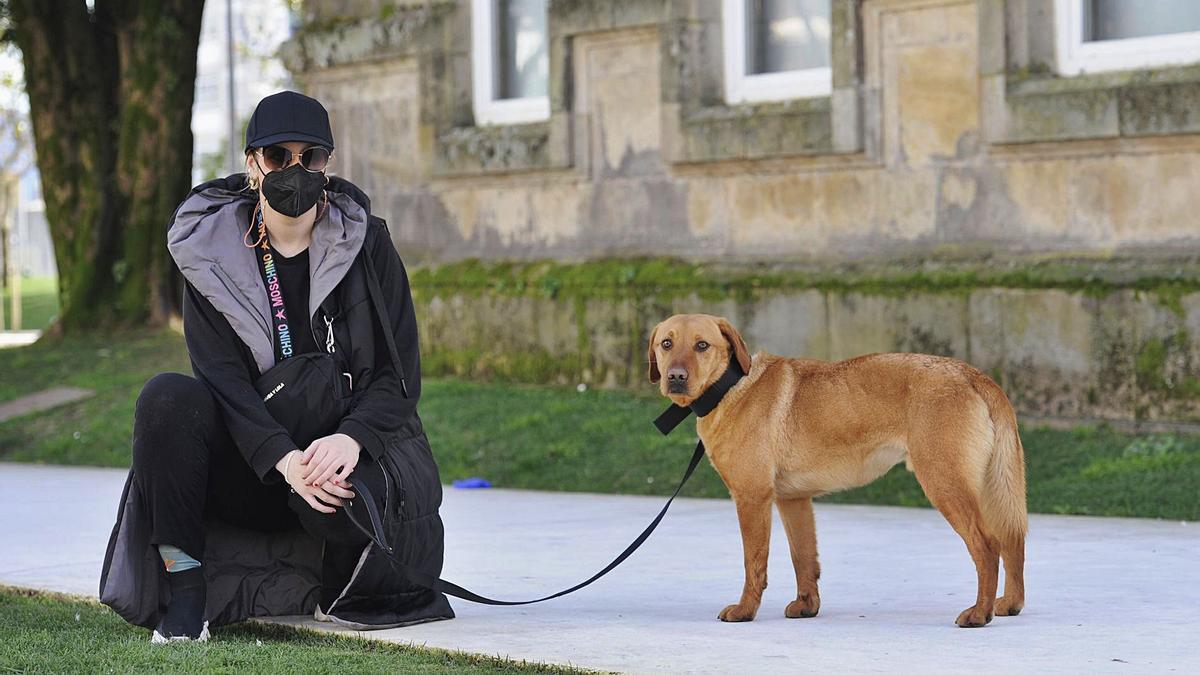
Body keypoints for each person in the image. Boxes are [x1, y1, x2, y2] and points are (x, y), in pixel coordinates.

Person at [98, 91, 454, 642]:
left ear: (327, 164)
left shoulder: (369, 242)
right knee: (167, 398)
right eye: (277, 155)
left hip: (332, 460)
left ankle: (333, 578)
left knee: (351, 493)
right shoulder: (208, 255)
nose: (295, 169)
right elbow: (224, 386)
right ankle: (187, 593)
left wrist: (350, 442)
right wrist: (284, 460)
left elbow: (398, 376)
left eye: (310, 156)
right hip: (254, 463)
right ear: (251, 164)